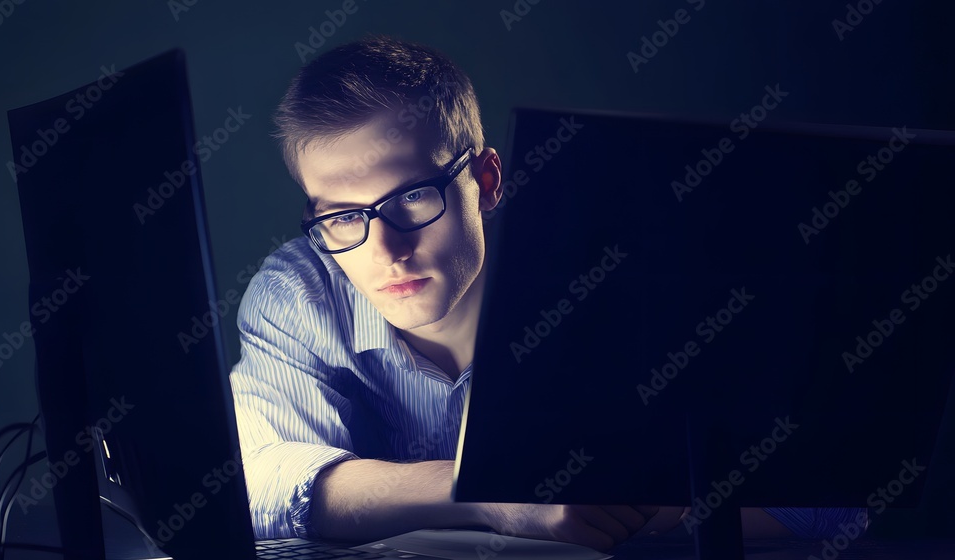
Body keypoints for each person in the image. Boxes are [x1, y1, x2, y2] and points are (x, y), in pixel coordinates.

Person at [228, 35, 865, 551]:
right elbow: (256, 485)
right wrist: (492, 497)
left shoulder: (611, 277)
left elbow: (827, 505)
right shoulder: (298, 294)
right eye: (342, 216)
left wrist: (611, 502)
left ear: (487, 180)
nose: (384, 249)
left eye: (412, 198)